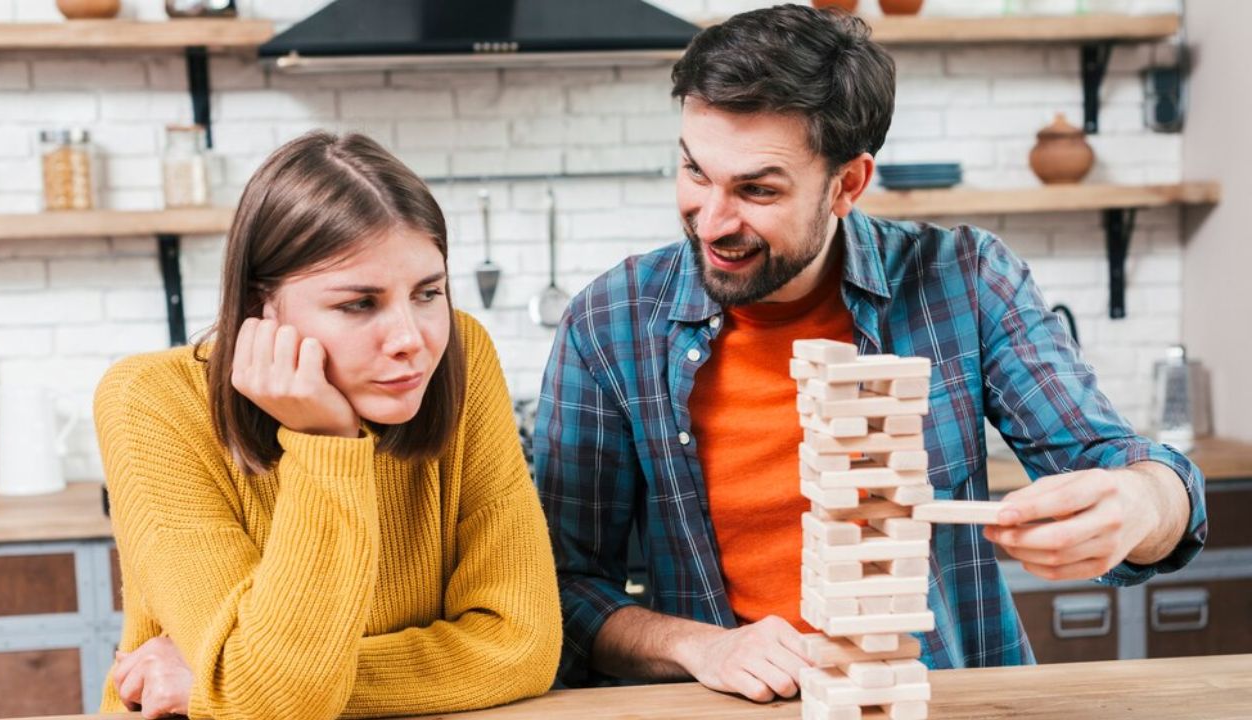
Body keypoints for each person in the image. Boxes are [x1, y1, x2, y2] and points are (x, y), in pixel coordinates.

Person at [532, 3, 1207, 702]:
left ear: (849, 183)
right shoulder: (609, 323)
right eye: (696, 172)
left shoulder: (966, 280)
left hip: (940, 698)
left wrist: (1140, 504)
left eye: (758, 189)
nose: (712, 220)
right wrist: (700, 646)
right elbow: (562, 586)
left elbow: (1137, 474)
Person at [95, 132, 561, 719]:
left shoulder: (463, 352)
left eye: (428, 292)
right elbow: (276, 700)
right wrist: (324, 442)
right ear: (262, 307)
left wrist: (221, 684)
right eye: (358, 304)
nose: (410, 341)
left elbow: (523, 647)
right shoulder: (151, 401)